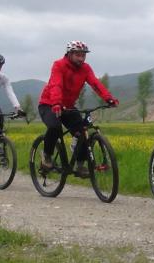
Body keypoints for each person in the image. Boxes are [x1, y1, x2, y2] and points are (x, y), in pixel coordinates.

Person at [38, 41, 119, 178]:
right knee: (55, 127)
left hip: (68, 107)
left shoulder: (85, 68)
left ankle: (80, 165)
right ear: (69, 54)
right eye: (78, 55)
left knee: (83, 132)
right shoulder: (59, 65)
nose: (81, 58)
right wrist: (56, 102)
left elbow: (95, 83)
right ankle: (47, 156)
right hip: (49, 103)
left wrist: (108, 98)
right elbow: (56, 84)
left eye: (83, 55)